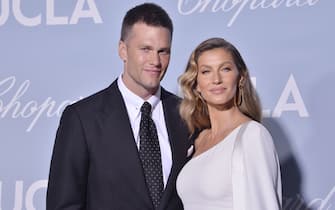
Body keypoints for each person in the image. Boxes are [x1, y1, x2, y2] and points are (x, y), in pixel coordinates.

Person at [46, 3, 191, 210]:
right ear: (123, 50)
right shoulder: (82, 119)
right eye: (145, 49)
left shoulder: (187, 115)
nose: (155, 61)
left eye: (163, 51)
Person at [176, 37, 282, 210]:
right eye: (206, 71)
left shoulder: (252, 135)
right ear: (196, 85)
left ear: (240, 78)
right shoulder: (198, 140)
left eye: (225, 69)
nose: (216, 79)